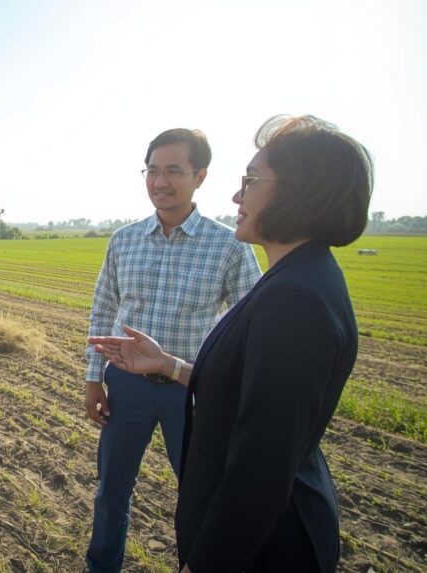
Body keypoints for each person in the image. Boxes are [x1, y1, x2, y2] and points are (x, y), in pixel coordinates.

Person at [89, 115, 373, 572]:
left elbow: (259, 469)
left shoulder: (293, 297)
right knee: (113, 489)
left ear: (298, 191)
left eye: (252, 180)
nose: (239, 195)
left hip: (267, 543)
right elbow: (249, 377)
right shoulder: (299, 279)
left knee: (205, 479)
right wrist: (169, 365)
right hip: (142, 384)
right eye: (152, 171)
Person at [83, 129, 261, 572]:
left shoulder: (230, 245)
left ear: (200, 176)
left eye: (174, 171)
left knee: (200, 492)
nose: (161, 182)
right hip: (126, 385)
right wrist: (92, 378)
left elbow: (250, 324)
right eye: (153, 171)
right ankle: (102, 565)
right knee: (111, 490)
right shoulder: (124, 239)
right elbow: (103, 307)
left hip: (192, 388)